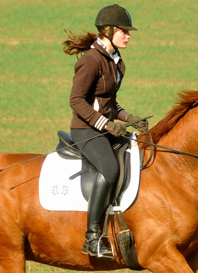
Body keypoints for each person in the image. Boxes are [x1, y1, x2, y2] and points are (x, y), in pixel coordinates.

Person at [62, 4, 148, 258]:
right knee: (110, 169)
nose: (129, 35)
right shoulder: (91, 60)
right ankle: (92, 238)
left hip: (104, 128)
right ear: (108, 31)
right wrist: (106, 124)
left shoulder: (117, 62)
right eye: (124, 31)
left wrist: (128, 117)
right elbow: (77, 101)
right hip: (85, 130)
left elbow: (109, 103)